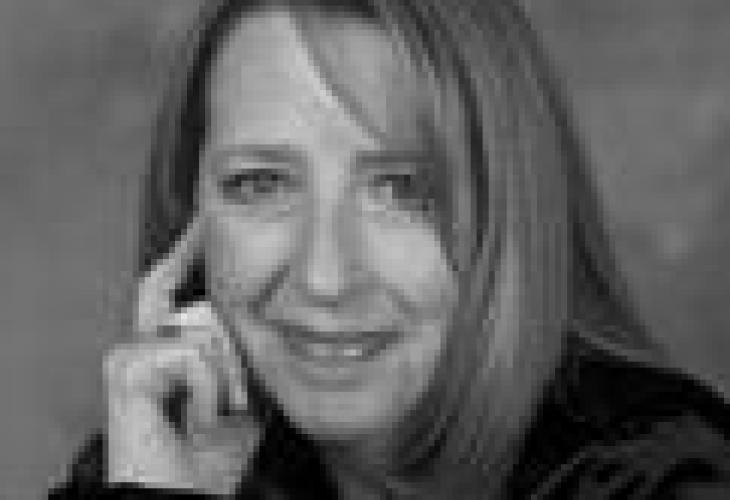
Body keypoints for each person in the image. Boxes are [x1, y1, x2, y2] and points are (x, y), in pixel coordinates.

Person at [51, 0, 729, 498]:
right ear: (191, 212)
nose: (325, 278)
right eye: (261, 183)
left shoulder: (663, 476)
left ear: (511, 210)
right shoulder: (155, 461)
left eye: (404, 190)